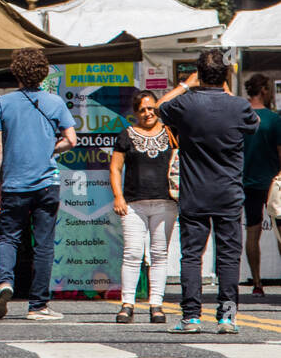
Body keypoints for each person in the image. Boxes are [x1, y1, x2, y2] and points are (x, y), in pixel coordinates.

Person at [157, 51, 260, 333]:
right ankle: (227, 316)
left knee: (191, 254)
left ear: (198, 74)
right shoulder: (238, 106)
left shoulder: (185, 103)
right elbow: (254, 125)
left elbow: (159, 106)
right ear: (225, 76)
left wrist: (185, 85)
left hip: (194, 191)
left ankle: (191, 316)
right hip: (228, 191)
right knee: (228, 254)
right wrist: (225, 90)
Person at [0, 48, 77, 322]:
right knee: (44, 243)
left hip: (14, 183)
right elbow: (71, 140)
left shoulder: (2, 103)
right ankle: (38, 305)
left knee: (9, 237)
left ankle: (4, 282)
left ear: (16, 71)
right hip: (46, 184)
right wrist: (50, 148)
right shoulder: (55, 102)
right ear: (42, 72)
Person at [109, 91, 176, 325]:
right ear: (135, 113)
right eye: (142, 110)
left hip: (165, 202)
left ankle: (156, 304)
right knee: (133, 253)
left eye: (151, 108)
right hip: (134, 204)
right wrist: (118, 196)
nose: (148, 113)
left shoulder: (170, 132)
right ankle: (127, 304)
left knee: (159, 254)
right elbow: (115, 168)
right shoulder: (126, 136)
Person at [242, 73, 281, 297]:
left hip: (248, 181)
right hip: (273, 182)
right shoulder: (274, 119)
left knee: (252, 231)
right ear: (264, 90)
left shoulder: (242, 117)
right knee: (280, 232)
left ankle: (257, 282)